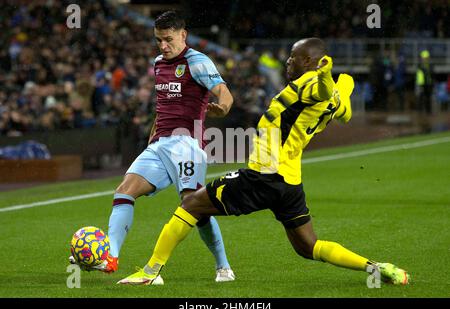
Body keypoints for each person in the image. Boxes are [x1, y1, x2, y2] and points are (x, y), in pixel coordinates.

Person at [117, 38, 410, 286]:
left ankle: (150, 271)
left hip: (264, 175)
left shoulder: (311, 82)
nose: (287, 63)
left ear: (310, 61)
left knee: (190, 204)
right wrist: (341, 84)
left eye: (293, 58)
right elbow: (343, 110)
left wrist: (324, 77)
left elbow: (319, 90)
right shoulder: (334, 95)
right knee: (309, 247)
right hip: (290, 181)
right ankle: (375, 267)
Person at [70, 11, 236, 283]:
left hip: (187, 144)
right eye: (158, 40)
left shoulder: (198, 62)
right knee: (124, 192)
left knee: (193, 205)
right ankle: (111, 258)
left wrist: (223, 108)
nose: (163, 46)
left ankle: (223, 267)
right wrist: (152, 139)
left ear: (183, 35)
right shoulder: (159, 63)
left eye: (168, 39)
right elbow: (162, 108)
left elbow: (224, 92)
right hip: (160, 145)